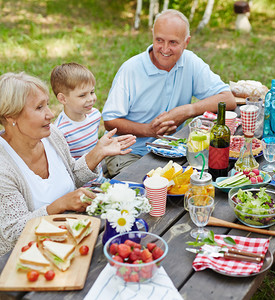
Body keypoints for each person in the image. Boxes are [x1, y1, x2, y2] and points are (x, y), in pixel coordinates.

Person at [0, 72, 136, 256]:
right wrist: (57, 206)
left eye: (47, 104)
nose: (50, 114)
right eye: (39, 108)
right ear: (10, 117)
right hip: (29, 257)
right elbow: (13, 232)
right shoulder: (4, 167)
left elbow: (72, 176)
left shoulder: (52, 135)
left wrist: (96, 154)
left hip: (75, 238)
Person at [102, 9, 236, 177]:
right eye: (159, 40)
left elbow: (228, 99)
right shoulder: (131, 70)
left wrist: (187, 111)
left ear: (186, 42)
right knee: (151, 190)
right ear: (152, 35)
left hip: (171, 151)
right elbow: (109, 121)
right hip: (128, 152)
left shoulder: (190, 61)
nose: (165, 49)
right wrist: (148, 130)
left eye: (173, 42)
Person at [51, 62, 108, 184]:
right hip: (79, 188)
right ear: (62, 99)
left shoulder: (95, 115)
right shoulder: (60, 130)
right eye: (82, 95)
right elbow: (64, 168)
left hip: (99, 179)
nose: (91, 99)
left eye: (92, 92)